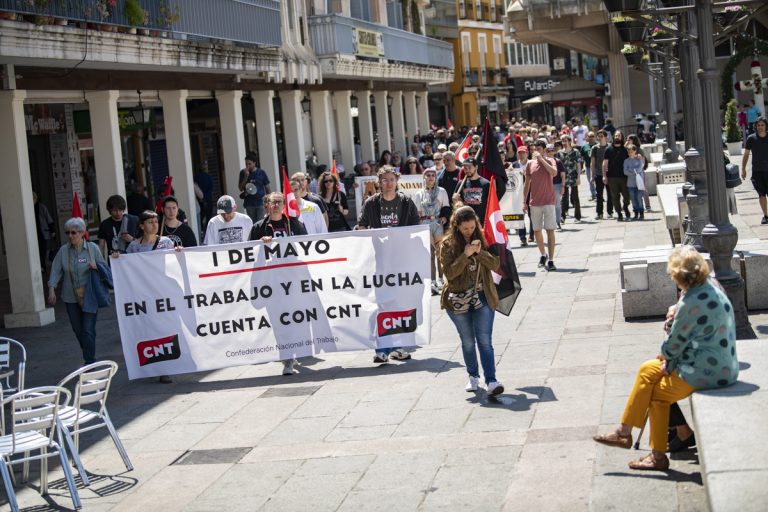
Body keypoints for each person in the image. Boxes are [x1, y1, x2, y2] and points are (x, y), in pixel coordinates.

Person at [593, 246, 738, 470]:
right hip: (718, 361)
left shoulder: (691, 302)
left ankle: (656, 456)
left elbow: (671, 345)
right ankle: (624, 432)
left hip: (706, 370)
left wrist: (670, 324)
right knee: (646, 369)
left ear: (679, 276)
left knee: (656, 395)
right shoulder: (710, 285)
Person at [356, 165, 420, 363]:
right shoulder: (371, 203)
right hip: (379, 262)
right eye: (385, 180)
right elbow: (363, 225)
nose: (389, 183)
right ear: (379, 182)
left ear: (397, 181)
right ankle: (382, 348)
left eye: (392, 179)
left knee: (400, 303)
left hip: (401, 262)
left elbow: (415, 228)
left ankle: (398, 346)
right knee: (381, 304)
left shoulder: (407, 202)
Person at [439, 206, 504, 396]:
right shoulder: (448, 244)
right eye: (465, 228)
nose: (469, 231)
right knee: (468, 341)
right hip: (458, 299)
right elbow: (449, 273)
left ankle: (491, 380)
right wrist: (464, 255)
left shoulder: (483, 237)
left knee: (484, 340)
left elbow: (495, 264)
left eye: (472, 227)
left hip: (482, 295)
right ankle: (473, 376)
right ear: (456, 226)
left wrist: (478, 252)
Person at [48, 217, 106, 365]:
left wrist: (96, 267)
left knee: (88, 329)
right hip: (70, 297)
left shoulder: (93, 249)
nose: (70, 236)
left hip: (89, 296)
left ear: (82, 233)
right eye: (67, 233)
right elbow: (55, 270)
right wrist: (51, 289)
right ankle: (88, 350)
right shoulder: (63, 251)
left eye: (73, 232)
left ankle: (89, 361)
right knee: (78, 330)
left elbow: (105, 269)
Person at [524, 140, 559, 272]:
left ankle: (551, 260)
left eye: (539, 148)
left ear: (544, 149)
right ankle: (543, 254)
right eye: (534, 149)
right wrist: (524, 201)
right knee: (537, 231)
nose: (536, 151)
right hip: (534, 202)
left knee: (550, 230)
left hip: (549, 201)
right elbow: (527, 184)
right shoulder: (529, 164)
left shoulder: (550, 160)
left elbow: (554, 173)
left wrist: (541, 159)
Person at [414, 167, 450, 295]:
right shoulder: (419, 193)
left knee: (440, 252)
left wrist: (445, 217)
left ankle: (441, 279)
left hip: (437, 223)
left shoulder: (442, 191)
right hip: (425, 223)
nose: (430, 177)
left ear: (435, 178)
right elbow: (417, 212)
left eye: (432, 175)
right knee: (430, 253)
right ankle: (432, 280)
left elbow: (446, 207)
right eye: (428, 175)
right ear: (424, 177)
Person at [741, 116, 768, 224]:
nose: (760, 127)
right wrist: (743, 169)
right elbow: (746, 154)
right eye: (758, 125)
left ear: (766, 126)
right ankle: (766, 216)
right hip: (757, 171)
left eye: (762, 125)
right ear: (755, 127)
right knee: (761, 194)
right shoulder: (751, 139)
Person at [602, 130, 632, 222]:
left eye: (619, 135)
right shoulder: (608, 149)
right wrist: (604, 176)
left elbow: (632, 159)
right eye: (615, 135)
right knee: (615, 197)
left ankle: (625, 207)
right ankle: (619, 213)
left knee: (627, 196)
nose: (617, 137)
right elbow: (604, 163)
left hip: (624, 177)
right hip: (612, 177)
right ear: (613, 137)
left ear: (621, 137)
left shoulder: (625, 149)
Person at [454, 157, 490, 224]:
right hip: (465, 221)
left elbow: (490, 204)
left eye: (469, 167)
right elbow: (456, 202)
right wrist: (456, 200)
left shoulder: (486, 184)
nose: (467, 170)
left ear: (476, 167)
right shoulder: (461, 183)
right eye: (465, 168)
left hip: (481, 222)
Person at [238, 151, 271, 222]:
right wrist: (246, 177)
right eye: (246, 164)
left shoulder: (261, 172)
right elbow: (240, 188)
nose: (248, 166)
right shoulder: (243, 173)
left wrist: (269, 201)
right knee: (251, 223)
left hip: (260, 203)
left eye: (249, 164)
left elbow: (267, 187)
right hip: (249, 204)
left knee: (261, 222)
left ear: (254, 163)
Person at [558, 135, 583, 223]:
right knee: (564, 197)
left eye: (565, 140)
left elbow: (579, 165)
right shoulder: (559, 153)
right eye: (562, 141)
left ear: (569, 141)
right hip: (564, 178)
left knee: (575, 196)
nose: (564, 142)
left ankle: (578, 216)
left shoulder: (575, 152)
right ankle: (562, 216)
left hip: (573, 176)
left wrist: (579, 177)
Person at [591, 130, 613, 220]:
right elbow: (592, 163)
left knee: (610, 194)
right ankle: (599, 213)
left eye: (601, 136)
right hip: (598, 173)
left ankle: (610, 212)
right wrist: (591, 175)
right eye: (598, 136)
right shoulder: (595, 148)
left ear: (605, 137)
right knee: (599, 194)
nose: (600, 138)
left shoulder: (610, 147)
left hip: (609, 173)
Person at [33, 192, 56, 274]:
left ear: (36, 199)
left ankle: (42, 268)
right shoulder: (28, 208)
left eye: (33, 199)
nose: (32, 200)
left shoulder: (42, 207)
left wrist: (52, 231)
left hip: (42, 234)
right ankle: (38, 267)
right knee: (35, 252)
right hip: (33, 234)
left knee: (42, 252)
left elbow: (49, 219)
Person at [624, 144, 645, 221]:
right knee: (633, 199)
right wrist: (634, 171)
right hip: (630, 184)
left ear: (635, 151)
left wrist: (631, 170)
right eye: (629, 151)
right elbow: (625, 172)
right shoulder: (626, 161)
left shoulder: (639, 159)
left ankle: (641, 213)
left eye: (632, 151)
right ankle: (636, 213)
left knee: (639, 198)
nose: (630, 153)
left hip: (638, 183)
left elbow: (640, 169)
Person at [580, 131, 597, 201]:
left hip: (597, 166)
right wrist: (581, 167)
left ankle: (599, 195)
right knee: (590, 181)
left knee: (598, 181)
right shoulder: (584, 147)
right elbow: (581, 157)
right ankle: (593, 195)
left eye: (592, 136)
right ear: (587, 137)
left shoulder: (598, 145)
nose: (591, 138)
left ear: (595, 137)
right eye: (589, 136)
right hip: (588, 167)